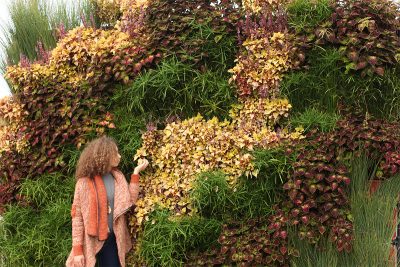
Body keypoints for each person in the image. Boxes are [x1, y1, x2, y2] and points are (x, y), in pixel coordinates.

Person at [65, 136, 149, 267]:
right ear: (105, 155)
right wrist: (77, 251)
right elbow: (77, 218)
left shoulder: (118, 177)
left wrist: (136, 173)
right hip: (91, 240)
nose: (119, 156)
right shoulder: (83, 183)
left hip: (111, 239)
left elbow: (130, 201)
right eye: (116, 153)